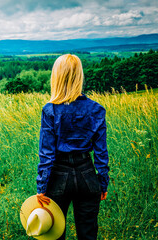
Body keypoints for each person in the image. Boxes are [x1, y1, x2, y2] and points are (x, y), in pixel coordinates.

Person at [35, 54, 109, 240]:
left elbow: (47, 154)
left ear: (56, 77)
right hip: (87, 174)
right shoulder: (96, 109)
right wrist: (103, 182)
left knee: (54, 233)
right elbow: (101, 152)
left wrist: (41, 187)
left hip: (58, 176)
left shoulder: (50, 110)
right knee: (88, 233)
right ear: (79, 76)